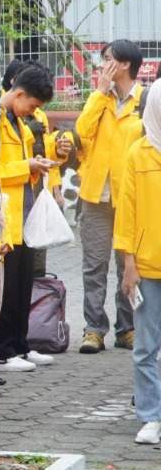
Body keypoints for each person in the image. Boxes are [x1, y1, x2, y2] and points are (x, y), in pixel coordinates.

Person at [75, 39, 145, 353]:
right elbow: (82, 131)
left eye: (108, 59)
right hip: (95, 194)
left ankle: (127, 327)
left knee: (126, 264)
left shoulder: (145, 100)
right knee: (94, 265)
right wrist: (99, 93)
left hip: (130, 195)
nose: (103, 65)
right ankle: (93, 329)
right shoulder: (99, 98)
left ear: (126, 64)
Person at [0, 63, 60, 373]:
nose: (32, 111)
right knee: (6, 290)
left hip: (25, 210)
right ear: (18, 93)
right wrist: (27, 166)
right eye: (31, 105)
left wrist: (41, 163)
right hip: (6, 216)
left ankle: (20, 344)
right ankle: (2, 350)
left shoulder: (19, 122)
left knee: (22, 283)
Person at [118, 85, 161, 445]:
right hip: (147, 267)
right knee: (146, 345)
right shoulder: (138, 153)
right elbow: (126, 214)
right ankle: (150, 416)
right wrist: (128, 264)